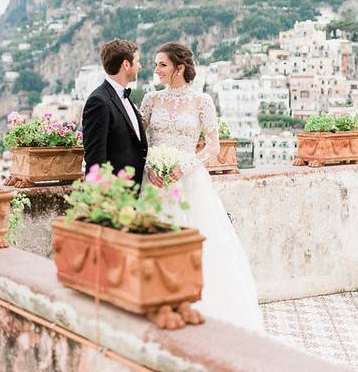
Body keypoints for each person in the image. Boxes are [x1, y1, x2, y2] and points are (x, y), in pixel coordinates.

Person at [140, 42, 264, 333]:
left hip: (189, 181)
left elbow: (213, 146)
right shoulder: (151, 99)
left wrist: (184, 167)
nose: (156, 70)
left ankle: (194, 305)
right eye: (156, 64)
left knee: (198, 244)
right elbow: (139, 140)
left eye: (162, 65)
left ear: (179, 68)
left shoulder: (201, 101)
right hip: (155, 181)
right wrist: (149, 166)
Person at [82, 39, 148, 188]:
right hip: (115, 194)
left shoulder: (125, 99)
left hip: (134, 190)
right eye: (137, 61)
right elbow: (95, 157)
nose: (140, 66)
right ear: (126, 64)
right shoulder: (99, 101)